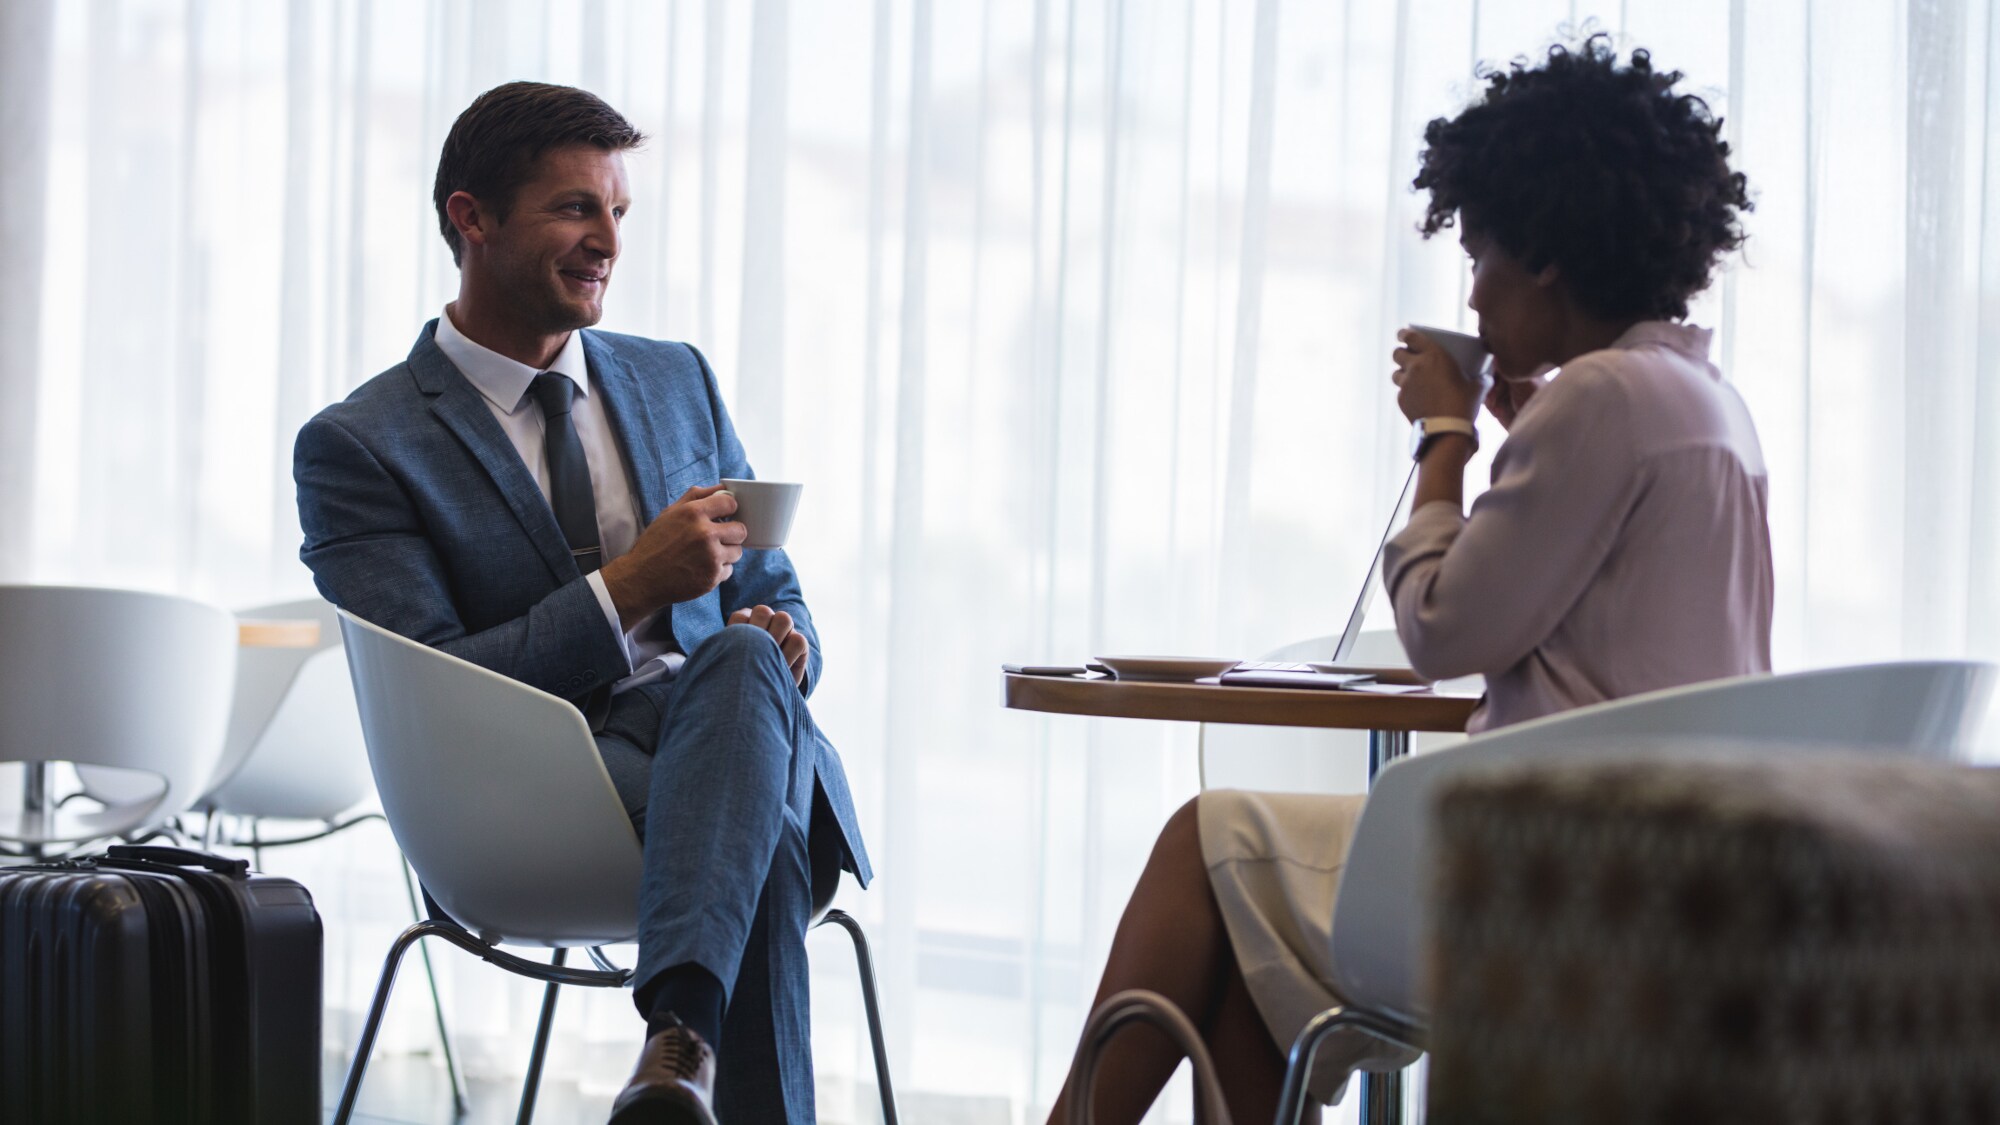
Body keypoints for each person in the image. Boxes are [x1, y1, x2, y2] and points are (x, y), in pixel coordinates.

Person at [1046, 36, 1769, 1124]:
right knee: (1248, 945)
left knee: (1204, 839)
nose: (1470, 299)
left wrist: (1442, 437)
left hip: (1548, 870)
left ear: (1546, 261)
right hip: (1668, 866)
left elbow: (1438, 629)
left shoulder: (1599, 399)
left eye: (1479, 256)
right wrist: (1518, 451)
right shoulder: (1696, 400)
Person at [295, 81, 870, 1125]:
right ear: (470, 217)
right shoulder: (361, 445)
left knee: (740, 668)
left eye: (616, 213)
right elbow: (439, 688)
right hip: (538, 785)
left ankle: (676, 1045)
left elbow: (770, 585)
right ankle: (682, 1036)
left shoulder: (674, 378)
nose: (606, 239)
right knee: (763, 840)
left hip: (723, 734)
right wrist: (628, 588)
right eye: (573, 209)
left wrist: (786, 646)